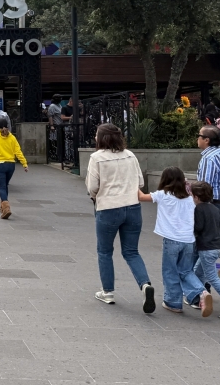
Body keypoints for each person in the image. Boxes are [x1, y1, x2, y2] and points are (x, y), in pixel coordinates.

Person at [86, 123, 155, 312]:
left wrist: (97, 195)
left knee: (105, 251)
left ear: (101, 139)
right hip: (132, 207)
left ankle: (107, 291)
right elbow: (140, 182)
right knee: (131, 251)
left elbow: (92, 187)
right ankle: (145, 284)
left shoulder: (96, 158)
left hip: (108, 208)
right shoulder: (130, 155)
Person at [138, 167, 213, 317]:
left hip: (171, 240)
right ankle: (202, 291)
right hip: (188, 240)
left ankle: (173, 302)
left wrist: (134, 183)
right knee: (186, 271)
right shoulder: (190, 197)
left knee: (170, 271)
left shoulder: (163, 194)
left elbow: (141, 197)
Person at [190, 181, 220, 313]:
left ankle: (202, 295)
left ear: (196, 197)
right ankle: (198, 296)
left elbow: (198, 227)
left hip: (206, 248)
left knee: (211, 277)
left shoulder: (198, 209)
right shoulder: (215, 209)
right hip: (216, 247)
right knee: (196, 271)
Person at [0, 118, 27, 219]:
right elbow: (18, 151)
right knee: (5, 185)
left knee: (1, 187)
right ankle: (2, 207)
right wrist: (24, 163)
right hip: (10, 165)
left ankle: (6, 207)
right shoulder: (12, 137)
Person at [196, 125, 220, 211]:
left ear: (207, 140)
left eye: (199, 136)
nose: (197, 139)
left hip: (215, 203)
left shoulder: (209, 158)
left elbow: (204, 186)